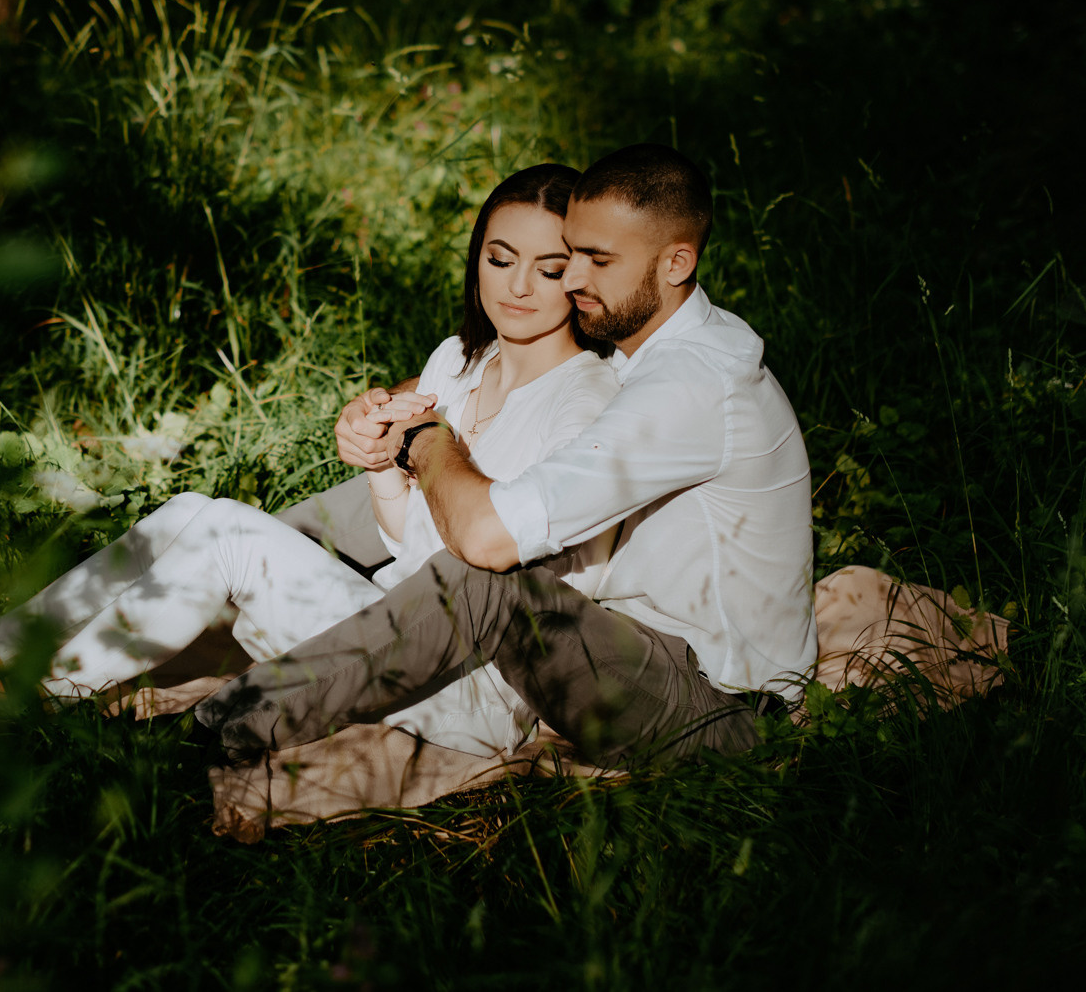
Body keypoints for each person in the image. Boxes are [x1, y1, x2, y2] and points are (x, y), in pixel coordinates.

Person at [0, 164, 621, 756]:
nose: (518, 286)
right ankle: (5, 646)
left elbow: (521, 581)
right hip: (394, 616)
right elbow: (406, 537)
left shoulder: (585, 400)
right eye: (500, 259)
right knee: (193, 509)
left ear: (582, 277)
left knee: (228, 537)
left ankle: (38, 696)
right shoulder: (458, 361)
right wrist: (382, 463)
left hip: (473, 677)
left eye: (551, 269)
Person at [197, 143, 818, 768]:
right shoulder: (675, 344)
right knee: (363, 499)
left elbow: (488, 539)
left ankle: (221, 727)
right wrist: (398, 407)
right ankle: (206, 572)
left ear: (676, 262)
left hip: (715, 709)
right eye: (572, 257)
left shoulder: (690, 387)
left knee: (483, 580)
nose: (573, 280)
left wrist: (424, 435)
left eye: (596, 261)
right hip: (636, 648)